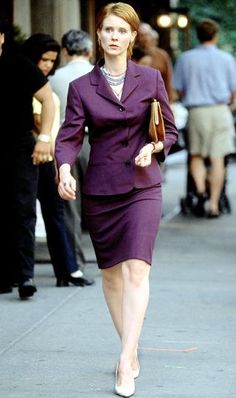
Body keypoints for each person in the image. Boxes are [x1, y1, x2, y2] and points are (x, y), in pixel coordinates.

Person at [55, 2, 178, 397]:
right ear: (99, 35)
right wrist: (63, 168)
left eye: (121, 31)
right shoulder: (81, 87)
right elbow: (71, 135)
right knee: (111, 274)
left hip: (144, 184)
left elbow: (170, 131)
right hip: (102, 187)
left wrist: (154, 146)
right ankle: (131, 344)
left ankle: (125, 361)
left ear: (131, 36)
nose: (113, 36)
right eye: (107, 29)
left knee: (137, 270)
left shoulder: (151, 78)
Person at [21, 33, 93, 288]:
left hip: (52, 154)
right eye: (44, 59)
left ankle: (68, 269)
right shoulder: (27, 80)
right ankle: (24, 274)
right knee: (26, 213)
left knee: (58, 211)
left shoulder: (49, 82)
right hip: (30, 154)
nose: (48, 65)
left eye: (52, 60)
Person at [0, 21, 54, 299]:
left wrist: (44, 138)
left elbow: (48, 99)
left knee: (22, 209)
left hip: (20, 144)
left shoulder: (18, 64)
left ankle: (24, 275)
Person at [174, 18, 236, 218]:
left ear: (198, 35)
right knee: (218, 158)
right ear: (215, 35)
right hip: (220, 110)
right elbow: (233, 91)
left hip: (197, 111)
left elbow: (179, 90)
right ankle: (214, 204)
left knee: (196, 155)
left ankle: (200, 191)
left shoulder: (185, 58)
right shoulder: (226, 59)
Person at [50, 29, 95, 271]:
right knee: (105, 200)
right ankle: (110, 257)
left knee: (69, 204)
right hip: (96, 143)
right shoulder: (101, 74)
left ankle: (75, 261)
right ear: (89, 50)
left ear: (65, 51)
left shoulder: (53, 77)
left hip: (64, 143)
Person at [136, 22, 174, 101]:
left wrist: (170, 99)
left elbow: (168, 79)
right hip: (137, 99)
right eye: (141, 35)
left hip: (158, 99)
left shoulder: (162, 55)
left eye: (147, 35)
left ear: (152, 37)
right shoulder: (131, 56)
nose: (144, 38)